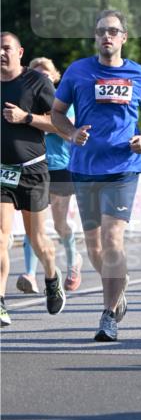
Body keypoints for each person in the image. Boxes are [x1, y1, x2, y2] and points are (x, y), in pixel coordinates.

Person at [52, 9, 141, 342]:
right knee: (94, 247)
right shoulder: (78, 71)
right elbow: (57, 113)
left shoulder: (140, 74)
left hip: (122, 168)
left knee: (113, 240)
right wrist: (71, 133)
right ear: (95, 37)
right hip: (84, 168)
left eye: (113, 31)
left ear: (124, 37)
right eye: (101, 31)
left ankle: (108, 314)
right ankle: (118, 285)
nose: (106, 36)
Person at [1, 32, 66, 326]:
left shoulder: (36, 82)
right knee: (1, 238)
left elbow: (60, 124)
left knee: (37, 239)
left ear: (20, 52)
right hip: (2, 172)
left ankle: (52, 276)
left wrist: (26, 118)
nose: (1, 53)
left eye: (6, 48)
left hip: (32, 170)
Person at [17, 57, 82, 295]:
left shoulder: (63, 104)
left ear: (54, 77)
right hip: (34, 168)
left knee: (59, 224)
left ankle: (73, 262)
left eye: (45, 74)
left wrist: (33, 120)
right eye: (35, 74)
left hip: (60, 168)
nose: (41, 78)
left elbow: (66, 131)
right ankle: (30, 275)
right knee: (33, 226)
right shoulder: (24, 103)